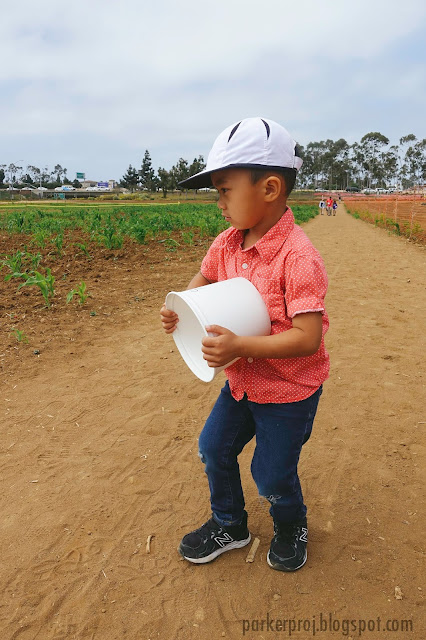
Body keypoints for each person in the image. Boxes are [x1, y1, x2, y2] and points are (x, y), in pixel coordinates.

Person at [160, 117, 329, 572]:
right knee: (213, 448)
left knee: (271, 474)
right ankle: (229, 523)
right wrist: (182, 306)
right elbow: (205, 279)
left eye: (224, 190)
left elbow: (307, 338)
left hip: (288, 392)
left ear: (270, 188)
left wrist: (241, 346)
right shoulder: (227, 242)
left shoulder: (299, 257)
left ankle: (291, 523)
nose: (219, 203)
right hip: (241, 384)